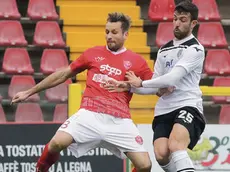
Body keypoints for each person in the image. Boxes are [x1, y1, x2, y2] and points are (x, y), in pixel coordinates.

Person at [11, 12, 163, 172]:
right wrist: (29, 91)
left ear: (126, 34)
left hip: (120, 119)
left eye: (114, 32)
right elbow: (63, 74)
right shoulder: (92, 53)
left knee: (145, 165)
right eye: (107, 32)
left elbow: (157, 88)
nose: (109, 36)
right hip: (90, 114)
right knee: (56, 143)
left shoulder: (137, 61)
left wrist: (134, 85)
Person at [103, 1, 206, 172]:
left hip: (188, 105)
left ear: (193, 23)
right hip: (164, 108)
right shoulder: (163, 50)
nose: (177, 23)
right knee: (161, 154)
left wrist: (140, 82)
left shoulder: (195, 49)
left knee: (175, 145)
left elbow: (172, 78)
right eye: (175, 19)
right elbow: (155, 86)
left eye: (183, 19)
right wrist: (129, 87)